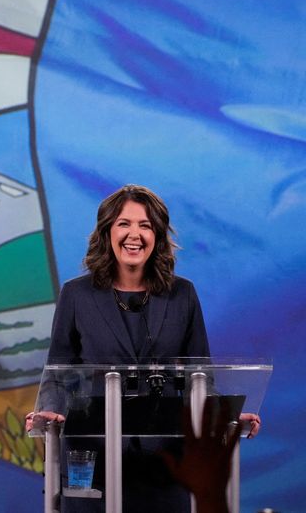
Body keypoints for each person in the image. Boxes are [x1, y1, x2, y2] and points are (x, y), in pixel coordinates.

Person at [25, 184, 261, 512]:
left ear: (158, 236)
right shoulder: (76, 295)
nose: (134, 234)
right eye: (124, 223)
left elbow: (200, 376)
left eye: (145, 225)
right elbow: (59, 369)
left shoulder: (183, 295)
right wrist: (49, 409)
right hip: (92, 455)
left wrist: (224, 417)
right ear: (107, 232)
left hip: (165, 460)